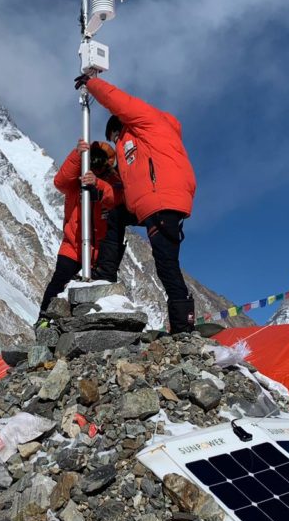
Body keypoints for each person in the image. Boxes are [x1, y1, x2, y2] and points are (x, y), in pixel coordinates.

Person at [75, 72, 197, 334]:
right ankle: (105, 274)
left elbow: (119, 101)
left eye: (115, 135)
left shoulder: (147, 122)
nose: (115, 141)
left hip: (162, 199)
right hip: (149, 203)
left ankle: (183, 326)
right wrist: (97, 183)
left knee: (166, 263)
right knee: (116, 214)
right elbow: (123, 196)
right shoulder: (135, 153)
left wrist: (92, 83)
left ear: (121, 125)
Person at [36, 138, 122, 329]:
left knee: (100, 290)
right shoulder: (75, 181)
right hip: (73, 244)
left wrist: (98, 183)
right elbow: (60, 181)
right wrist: (77, 155)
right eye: (93, 158)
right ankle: (44, 318)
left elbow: (117, 199)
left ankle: (98, 326)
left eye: (101, 160)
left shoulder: (109, 182)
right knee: (58, 282)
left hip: (99, 249)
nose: (97, 163)